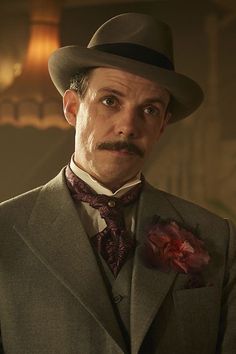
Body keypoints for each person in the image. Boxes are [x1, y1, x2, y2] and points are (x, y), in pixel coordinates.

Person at [0, 12, 235, 354]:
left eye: (150, 110)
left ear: (163, 126)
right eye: (110, 101)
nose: (129, 126)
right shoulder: (5, 231)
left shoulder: (217, 238)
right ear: (71, 107)